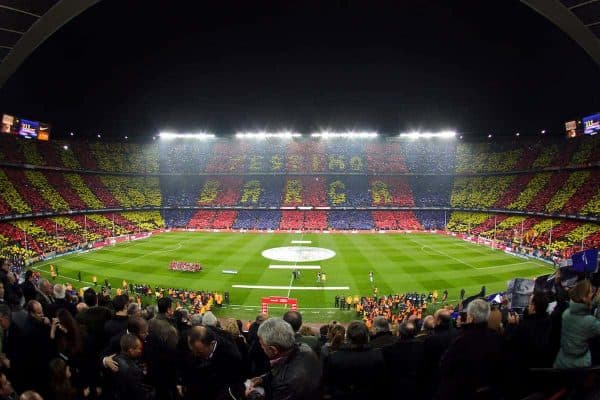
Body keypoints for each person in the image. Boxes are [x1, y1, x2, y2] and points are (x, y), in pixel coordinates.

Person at [246, 318, 321, 400]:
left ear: (273, 350)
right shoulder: (303, 346)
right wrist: (263, 379)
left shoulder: (286, 382)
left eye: (262, 345)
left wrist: (253, 395)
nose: (262, 348)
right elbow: (281, 367)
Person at [554, 279, 600, 368]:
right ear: (584, 297)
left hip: (561, 362)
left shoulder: (566, 313)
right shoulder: (589, 322)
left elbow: (583, 309)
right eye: (591, 292)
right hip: (579, 366)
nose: (593, 294)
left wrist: (595, 301)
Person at [111, 334, 155, 400]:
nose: (141, 351)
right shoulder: (133, 370)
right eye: (139, 349)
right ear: (131, 350)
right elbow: (141, 395)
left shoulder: (113, 360)